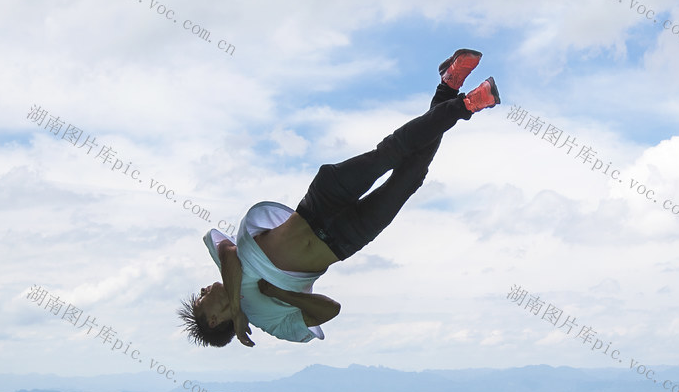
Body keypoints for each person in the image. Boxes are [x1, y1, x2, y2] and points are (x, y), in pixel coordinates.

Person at [178, 49, 500, 348]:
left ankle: (466, 104)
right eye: (201, 299)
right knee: (411, 175)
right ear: (213, 319)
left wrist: (236, 305)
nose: (204, 290)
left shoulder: (227, 270)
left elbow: (227, 249)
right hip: (345, 239)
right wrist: (278, 293)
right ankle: (449, 86)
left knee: (388, 153)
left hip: (316, 206)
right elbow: (329, 311)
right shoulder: (268, 321)